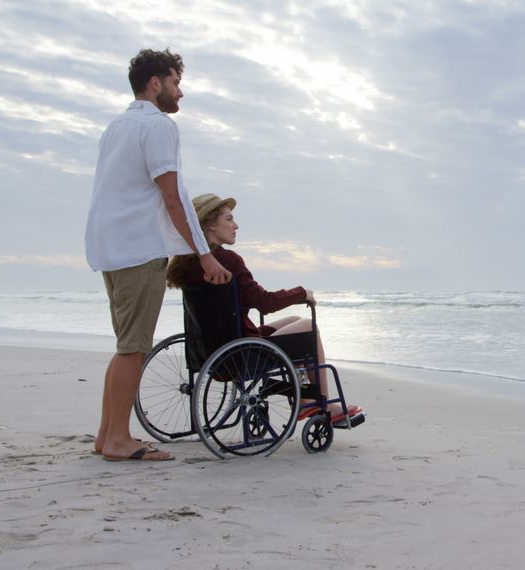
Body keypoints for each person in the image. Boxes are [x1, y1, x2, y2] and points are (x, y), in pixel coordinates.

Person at [85, 49, 231, 462]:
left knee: (125, 345)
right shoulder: (157, 125)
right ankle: (117, 440)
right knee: (134, 347)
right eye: (175, 83)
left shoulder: (116, 127)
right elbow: (174, 198)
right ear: (155, 83)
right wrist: (205, 255)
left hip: (109, 246)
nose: (180, 93)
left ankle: (107, 435)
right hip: (137, 248)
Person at [166, 193, 361, 424]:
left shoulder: (187, 265)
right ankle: (322, 403)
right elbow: (264, 302)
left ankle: (304, 397)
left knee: (295, 320)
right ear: (209, 225)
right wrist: (302, 293)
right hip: (241, 353)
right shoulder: (227, 261)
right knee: (308, 327)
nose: (235, 225)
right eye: (229, 219)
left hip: (210, 351)